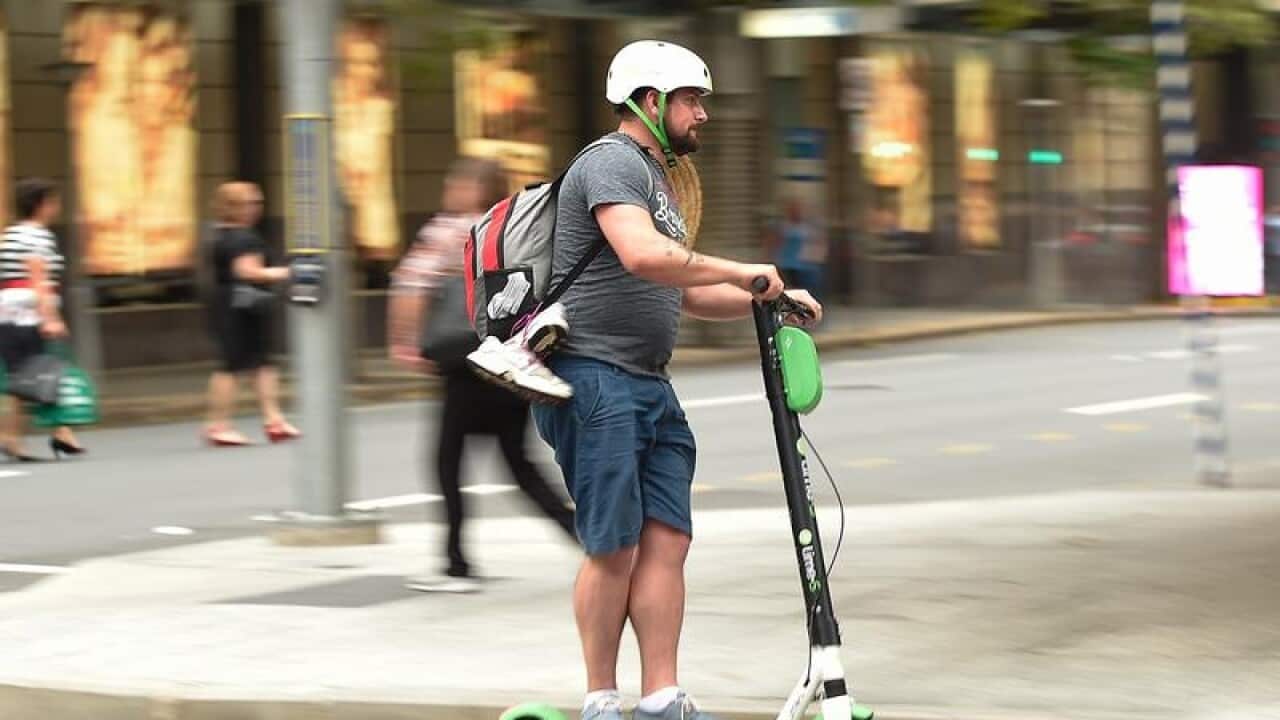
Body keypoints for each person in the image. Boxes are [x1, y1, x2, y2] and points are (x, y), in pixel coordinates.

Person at [524, 41, 821, 720]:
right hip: (594, 377)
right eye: (693, 100)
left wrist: (768, 299)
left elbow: (683, 292)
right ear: (649, 102)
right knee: (613, 547)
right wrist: (740, 268)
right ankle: (601, 700)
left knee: (668, 540)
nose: (703, 115)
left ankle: (662, 697)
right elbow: (643, 255)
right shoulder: (609, 162)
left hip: (649, 384)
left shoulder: (661, 180)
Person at [388, 157, 577, 593]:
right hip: (511, 359)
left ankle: (456, 563)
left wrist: (403, 341)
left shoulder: (451, 229)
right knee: (519, 464)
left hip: (465, 363)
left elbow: (410, 286)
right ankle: (584, 535)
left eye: (457, 181)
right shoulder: (511, 227)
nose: (449, 187)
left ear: (475, 187)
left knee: (447, 462)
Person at [202, 181, 299, 447]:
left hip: (231, 304)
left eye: (258, 202)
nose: (257, 208)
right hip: (242, 307)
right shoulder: (244, 238)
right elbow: (248, 271)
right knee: (232, 366)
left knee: (261, 364)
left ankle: (274, 419)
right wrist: (289, 273)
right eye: (251, 203)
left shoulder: (220, 234)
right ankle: (218, 425)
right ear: (234, 207)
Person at [0, 178, 85, 461]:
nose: (55, 208)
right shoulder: (37, 235)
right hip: (29, 314)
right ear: (41, 205)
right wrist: (50, 317)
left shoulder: (10, 234)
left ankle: (31, 435)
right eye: (52, 202)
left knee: (24, 376)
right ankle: (52, 433)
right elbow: (38, 277)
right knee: (43, 373)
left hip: (7, 314)